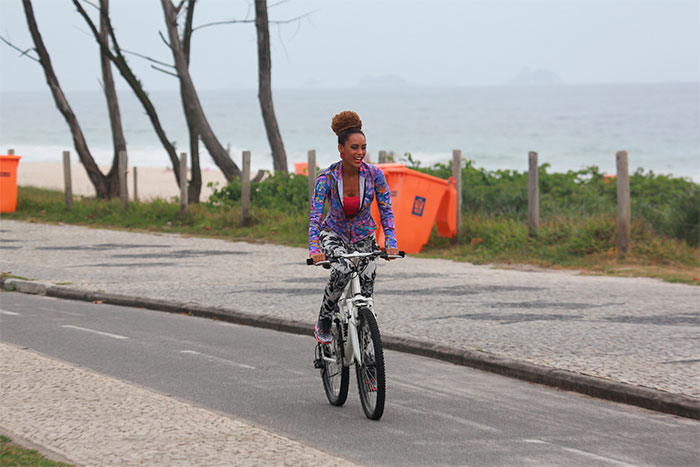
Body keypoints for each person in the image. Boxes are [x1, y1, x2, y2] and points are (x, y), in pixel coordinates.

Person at [309, 110, 399, 344]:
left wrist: (391, 243)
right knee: (342, 270)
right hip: (334, 235)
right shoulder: (326, 178)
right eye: (354, 148)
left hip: (364, 237)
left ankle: (368, 354)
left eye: (363, 147)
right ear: (341, 149)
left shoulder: (375, 176)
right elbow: (316, 216)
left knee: (366, 296)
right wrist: (314, 249)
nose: (360, 153)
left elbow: (387, 210)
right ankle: (325, 319)